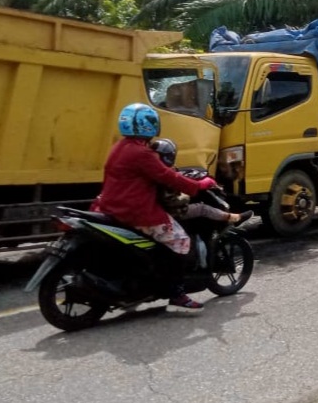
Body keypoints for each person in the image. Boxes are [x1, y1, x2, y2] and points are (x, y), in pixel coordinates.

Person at [92, 103, 219, 311]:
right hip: (137, 213)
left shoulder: (118, 147)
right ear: (149, 126)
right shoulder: (143, 153)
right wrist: (200, 185)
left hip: (109, 207)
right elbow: (169, 177)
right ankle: (177, 293)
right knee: (181, 241)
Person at [151, 138, 253, 225]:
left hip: (160, 208)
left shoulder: (155, 170)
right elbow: (173, 198)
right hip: (172, 211)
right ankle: (233, 218)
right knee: (202, 208)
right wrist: (188, 195)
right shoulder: (163, 174)